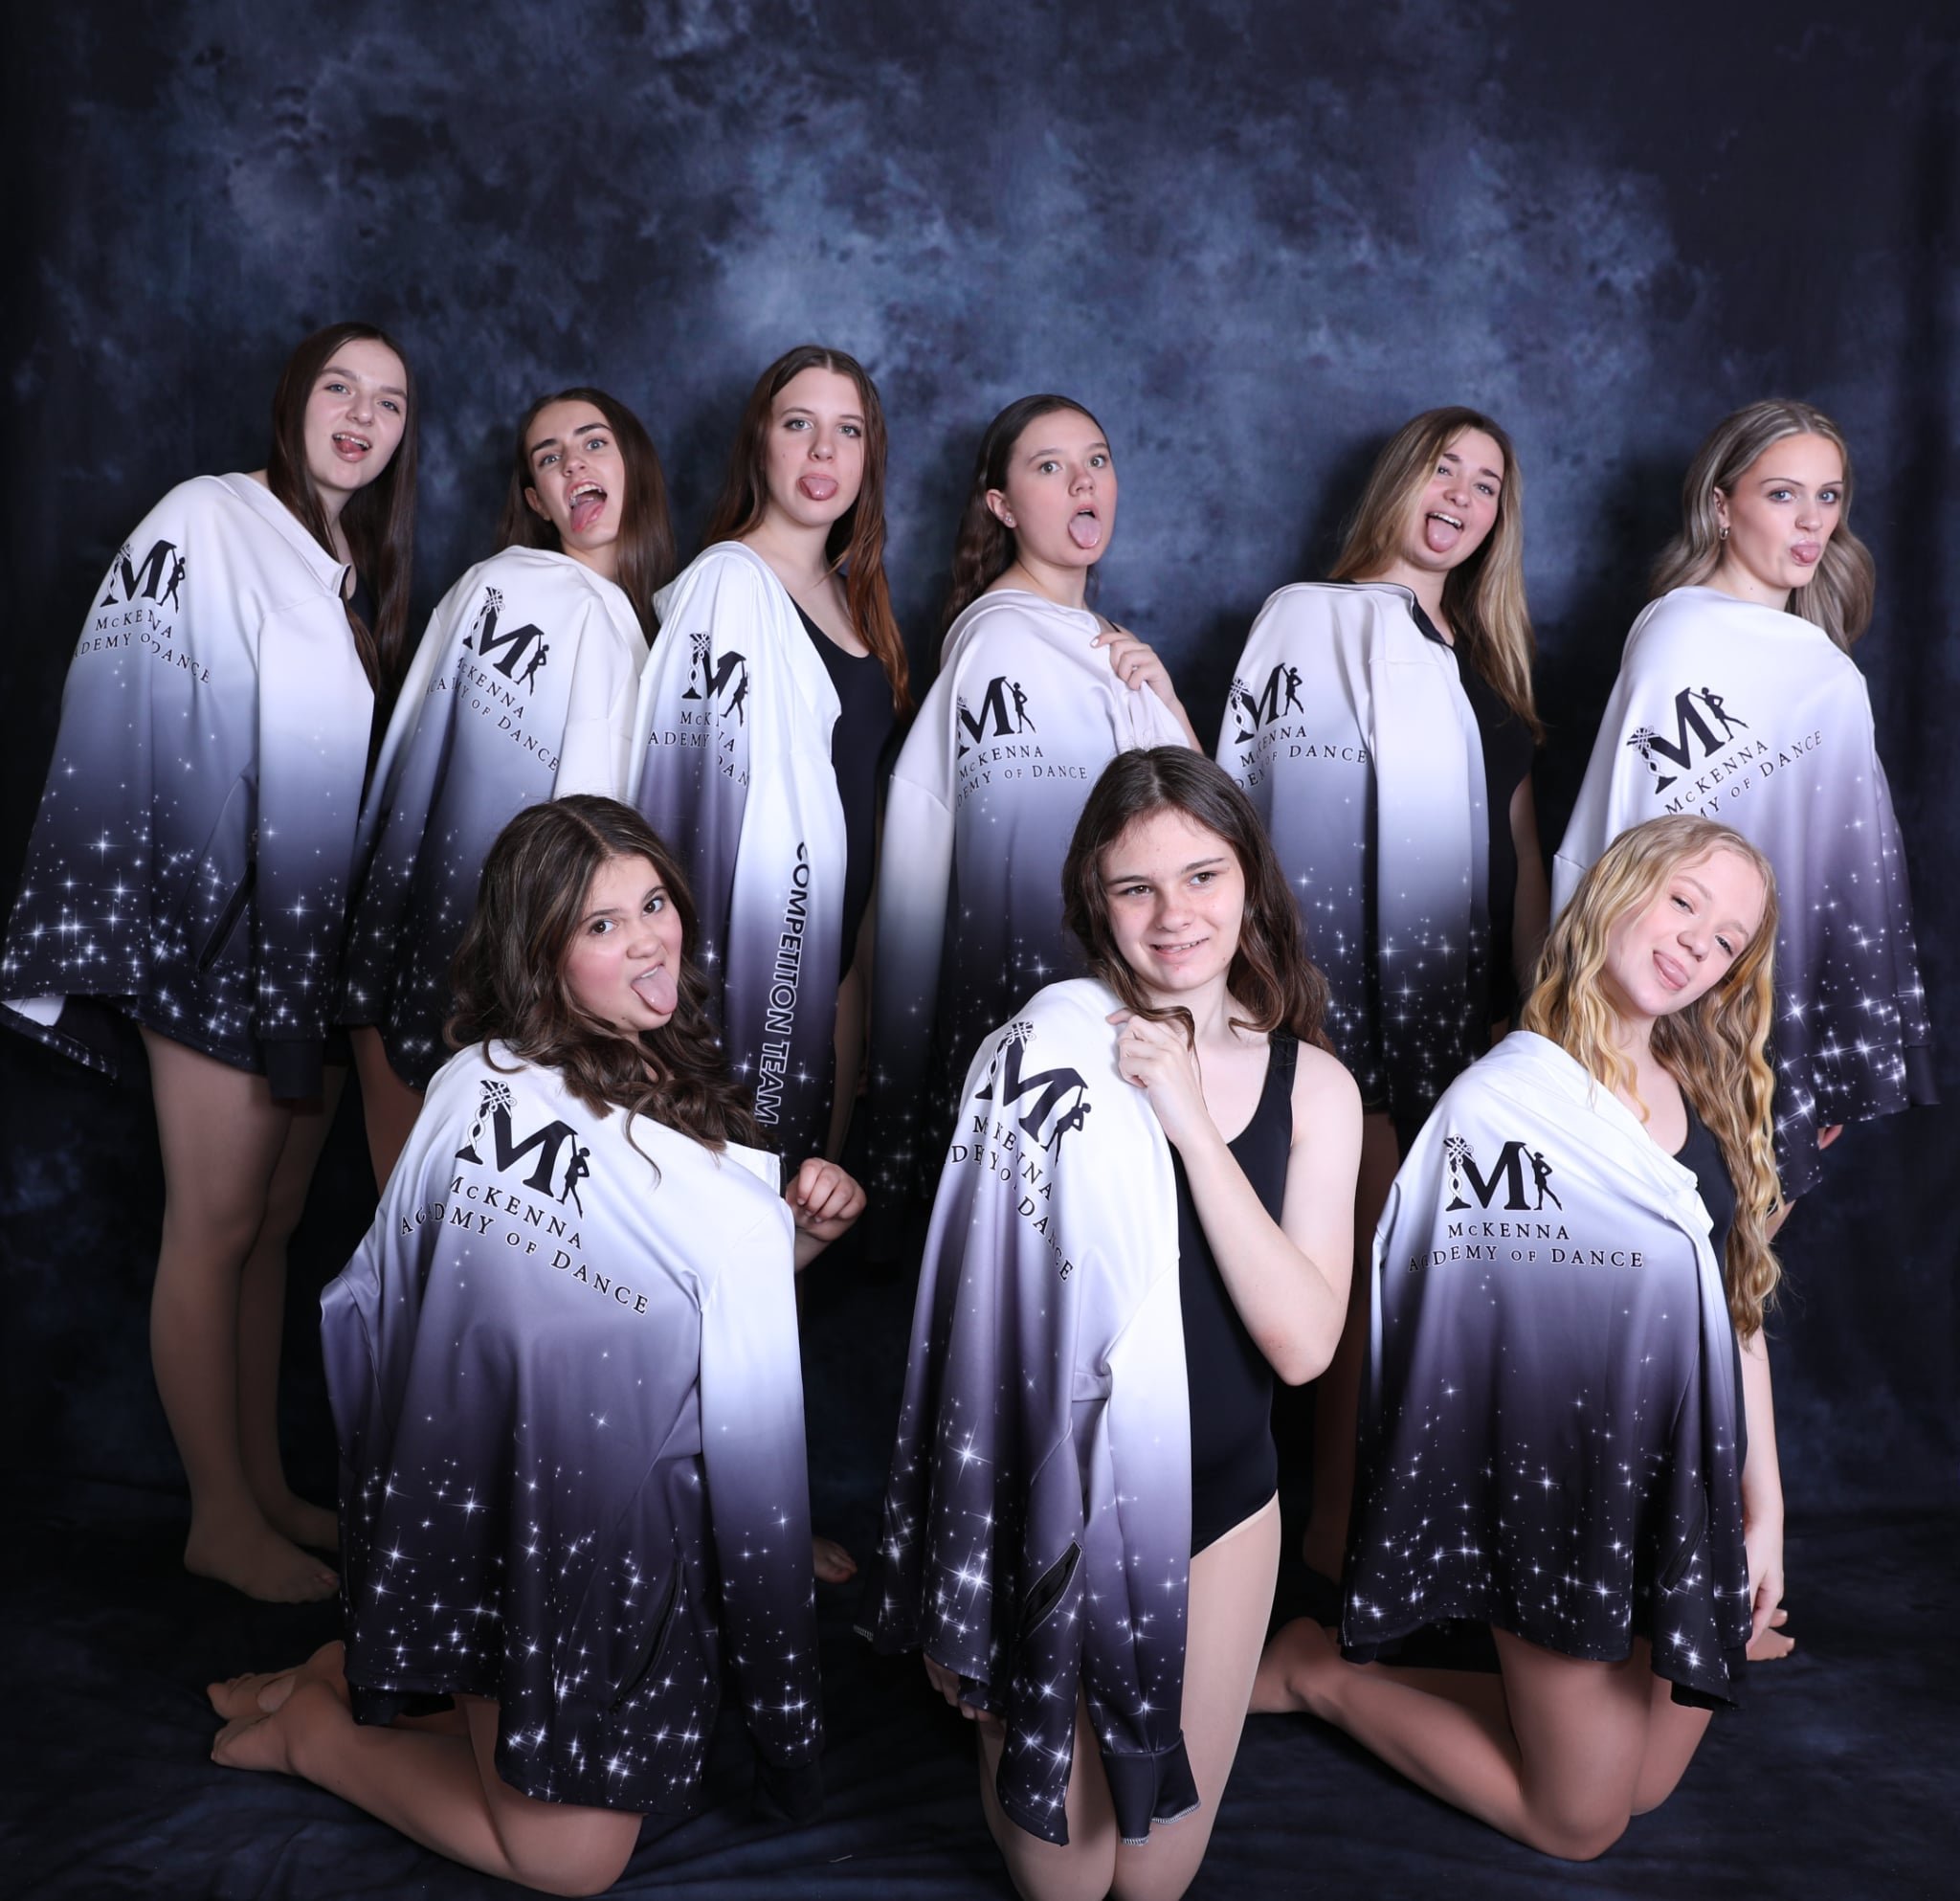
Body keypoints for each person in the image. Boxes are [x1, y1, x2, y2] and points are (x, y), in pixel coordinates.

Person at [209, 796, 860, 1895]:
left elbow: (660, 1311)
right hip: (516, 1523)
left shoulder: (664, 1090)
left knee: (608, 1778)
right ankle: (315, 1730)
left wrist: (787, 1239)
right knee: (574, 1861)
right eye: (601, 926)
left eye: (653, 902)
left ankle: (346, 1673)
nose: (649, 937)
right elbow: (413, 1309)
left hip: (583, 1528)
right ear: (539, 955)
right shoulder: (481, 1094)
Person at [863, 749, 1361, 1901]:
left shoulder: (1312, 1089)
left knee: (1152, 1883)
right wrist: (961, 1568)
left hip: (1220, 1505)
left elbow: (1301, 1346)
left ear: (1249, 883)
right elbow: (965, 1334)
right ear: (1094, 898)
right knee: (1064, 1882)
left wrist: (1188, 1119)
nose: (1174, 916)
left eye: (1202, 876)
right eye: (1136, 888)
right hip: (1044, 1504)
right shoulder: (1036, 1057)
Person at [1255, 815, 1787, 1863]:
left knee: (1641, 1785)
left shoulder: (1711, 1091)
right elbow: (1452, 1345)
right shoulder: (1503, 1106)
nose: (1695, 942)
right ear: (1618, 888)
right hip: (1559, 1498)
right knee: (1580, 1822)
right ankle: (1314, 1672)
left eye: (1726, 939)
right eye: (1683, 901)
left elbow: (1736, 1315)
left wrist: (1762, 1511)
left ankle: (1526, 1701)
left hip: (1682, 1487)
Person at [0, 322, 417, 1600]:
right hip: (220, 934)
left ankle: (264, 1486)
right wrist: (195, 914)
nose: (360, 417)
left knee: (276, 1223)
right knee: (216, 1219)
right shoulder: (209, 517)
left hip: (314, 950)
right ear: (291, 399)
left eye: (390, 402)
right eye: (339, 389)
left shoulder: (347, 565)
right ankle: (216, 1516)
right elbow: (131, 703)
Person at [1217, 407, 1547, 1582]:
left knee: (1454, 1276)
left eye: (1488, 483)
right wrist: (1310, 1018)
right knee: (1356, 1265)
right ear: (1397, 485)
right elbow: (1270, 830)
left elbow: (1520, 862)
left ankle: (1421, 1531)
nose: (1462, 495)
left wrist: (1534, 1007)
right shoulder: (1315, 621)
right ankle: (1328, 1544)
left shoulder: (1489, 662)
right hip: (1359, 1012)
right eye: (1441, 470)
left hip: (1483, 1019)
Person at [1554, 398, 1932, 1208]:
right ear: (1722, 506)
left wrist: (1828, 1051)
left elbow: (1852, 871)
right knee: (1650, 1259)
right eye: (1783, 494)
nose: (1811, 521)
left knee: (1733, 1277)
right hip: (1660, 999)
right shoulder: (1678, 637)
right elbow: (1620, 837)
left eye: (1828, 497)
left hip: (1775, 1011)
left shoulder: (1827, 670)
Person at [865, 395, 1199, 1239]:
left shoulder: (1108, 649)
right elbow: (955, 872)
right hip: (1049, 1039)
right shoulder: (1003, 647)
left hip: (1136, 1033)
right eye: (1049, 467)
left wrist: (1164, 699)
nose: (1082, 480)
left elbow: (1211, 838)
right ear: (1003, 508)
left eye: (1096, 459)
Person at [342, 387, 675, 1187]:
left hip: (530, 982)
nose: (574, 465)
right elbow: (409, 771)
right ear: (536, 499)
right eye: (549, 458)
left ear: (633, 468)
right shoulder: (509, 586)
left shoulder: (662, 632)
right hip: (461, 973)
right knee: (427, 1243)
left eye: (593, 444)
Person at [631, 344, 908, 1179]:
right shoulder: (730, 584)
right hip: (746, 973)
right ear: (760, 442)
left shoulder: (859, 598)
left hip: (837, 969)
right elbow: (683, 822)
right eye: (799, 424)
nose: (824, 452)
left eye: (847, 430)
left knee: (805, 1238)